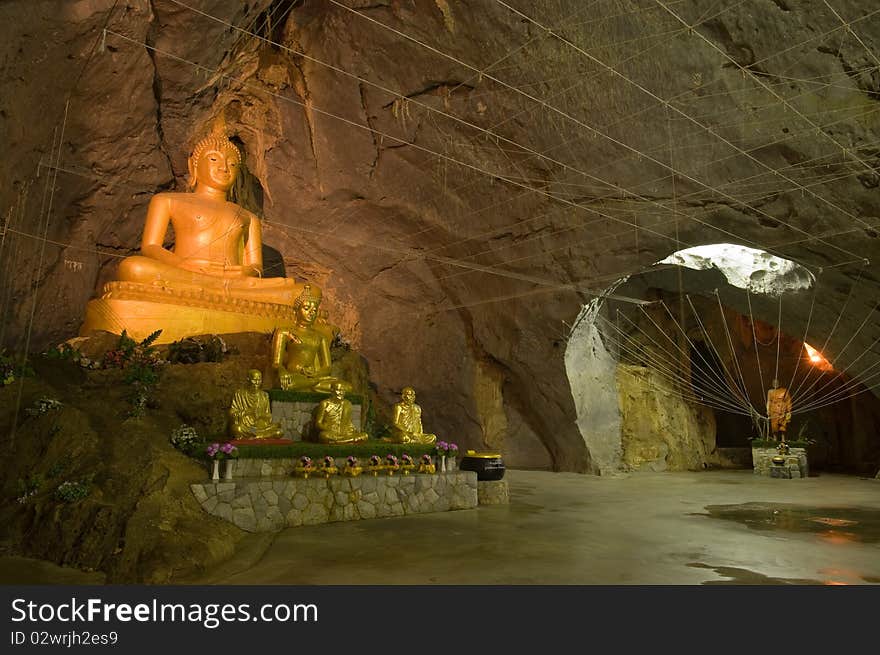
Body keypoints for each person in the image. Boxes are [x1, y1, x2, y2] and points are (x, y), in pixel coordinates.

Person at [115, 133, 306, 305]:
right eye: (214, 159)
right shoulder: (167, 200)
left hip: (233, 283)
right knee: (133, 268)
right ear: (194, 165)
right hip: (186, 275)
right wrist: (183, 265)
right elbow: (150, 247)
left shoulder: (249, 217)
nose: (224, 168)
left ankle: (211, 293)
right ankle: (211, 292)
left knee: (304, 294)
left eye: (232, 164)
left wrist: (244, 272)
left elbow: (256, 267)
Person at [271, 285, 341, 393]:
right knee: (286, 384)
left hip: (315, 376)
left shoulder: (320, 336)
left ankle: (312, 383)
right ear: (296, 311)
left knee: (344, 387)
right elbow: (276, 363)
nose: (311, 312)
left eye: (314, 310)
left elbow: (327, 367)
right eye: (307, 308)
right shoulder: (284, 332)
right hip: (293, 376)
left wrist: (316, 374)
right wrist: (282, 372)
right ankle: (313, 384)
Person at [228, 369, 285, 440]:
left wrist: (260, 415)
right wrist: (246, 412)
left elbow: (268, 415)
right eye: (254, 380)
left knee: (279, 432)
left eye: (259, 380)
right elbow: (232, 412)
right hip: (247, 426)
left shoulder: (264, 395)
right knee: (237, 429)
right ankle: (259, 436)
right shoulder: (239, 394)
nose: (257, 383)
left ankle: (256, 436)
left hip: (260, 427)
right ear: (248, 380)